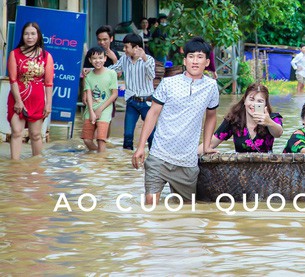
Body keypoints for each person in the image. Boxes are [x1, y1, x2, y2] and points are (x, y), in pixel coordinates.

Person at [132, 37, 219, 205]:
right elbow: (153, 113)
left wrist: (207, 146)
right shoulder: (168, 83)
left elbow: (211, 115)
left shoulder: (211, 86)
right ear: (185, 60)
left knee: (186, 212)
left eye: (200, 57)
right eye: (191, 56)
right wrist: (141, 147)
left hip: (187, 161)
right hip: (159, 155)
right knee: (150, 205)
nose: (195, 61)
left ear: (207, 62)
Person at [6, 22, 54, 159]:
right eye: (26, 33)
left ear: (38, 36)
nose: (29, 37)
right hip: (18, 99)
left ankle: (36, 166)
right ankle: (14, 166)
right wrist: (18, 101)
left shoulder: (46, 56)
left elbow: (49, 83)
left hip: (38, 100)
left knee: (36, 135)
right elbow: (13, 80)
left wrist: (48, 104)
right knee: (16, 132)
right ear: (22, 36)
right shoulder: (14, 54)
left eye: (33, 34)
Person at [108, 33, 156, 150]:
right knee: (128, 135)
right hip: (131, 102)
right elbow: (112, 70)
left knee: (152, 135)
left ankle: (153, 159)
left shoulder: (149, 60)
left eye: (126, 47)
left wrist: (144, 59)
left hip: (147, 102)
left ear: (136, 48)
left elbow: (151, 76)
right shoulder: (124, 59)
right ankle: (127, 163)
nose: (124, 50)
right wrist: (94, 70)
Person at [207, 83, 283, 153]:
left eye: (260, 101)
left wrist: (269, 122)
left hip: (267, 166)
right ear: (245, 100)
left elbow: (278, 133)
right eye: (251, 99)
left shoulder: (273, 118)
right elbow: (210, 144)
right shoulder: (234, 119)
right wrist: (195, 154)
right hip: (240, 166)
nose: (254, 104)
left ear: (265, 104)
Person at [81, 46, 118, 152]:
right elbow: (88, 94)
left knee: (101, 139)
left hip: (105, 109)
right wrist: (92, 112)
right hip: (90, 109)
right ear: (90, 60)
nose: (98, 61)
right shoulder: (88, 75)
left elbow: (114, 94)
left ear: (105, 58)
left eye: (100, 58)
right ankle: (97, 158)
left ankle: (101, 164)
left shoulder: (111, 73)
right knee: (87, 140)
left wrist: (100, 109)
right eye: (94, 58)